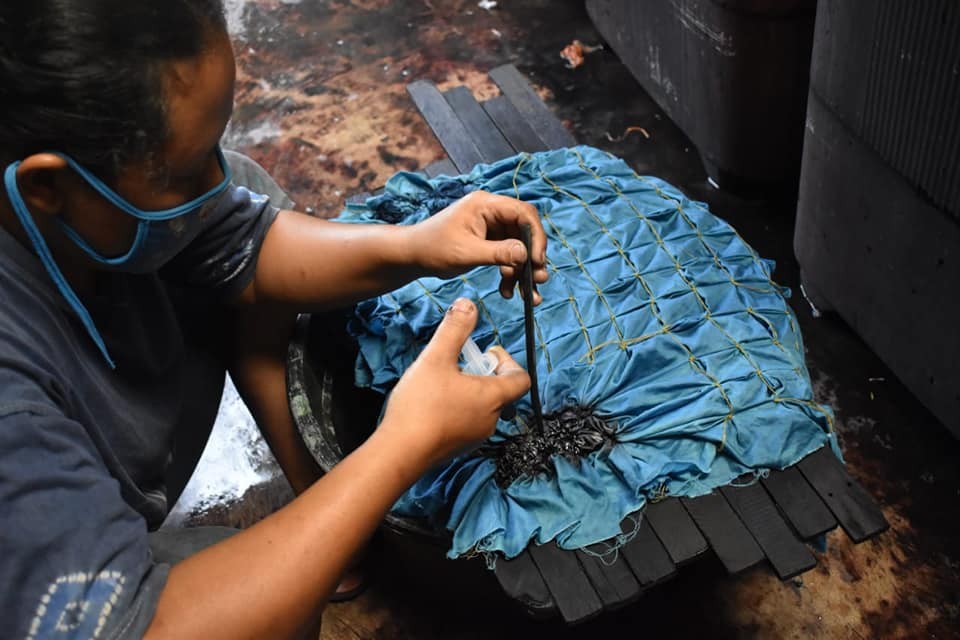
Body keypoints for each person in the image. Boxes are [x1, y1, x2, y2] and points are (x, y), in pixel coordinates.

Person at [0, 1, 548, 638]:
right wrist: (405, 444)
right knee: (266, 613)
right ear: (47, 186)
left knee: (235, 200)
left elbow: (247, 247)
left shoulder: (77, 193)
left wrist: (415, 245)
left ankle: (317, 504)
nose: (217, 181)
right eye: (186, 170)